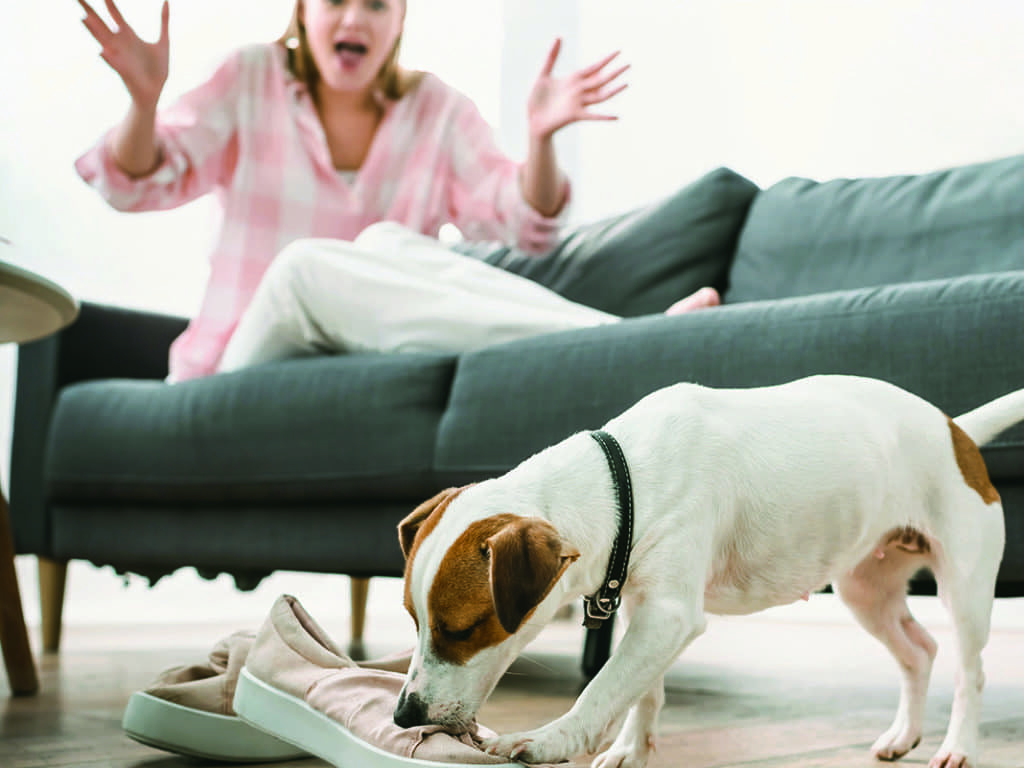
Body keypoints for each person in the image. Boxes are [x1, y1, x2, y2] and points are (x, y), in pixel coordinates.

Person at [76, 0, 719, 383]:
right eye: (334, 0)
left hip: (362, 367)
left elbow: (525, 224)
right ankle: (630, 345)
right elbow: (136, 183)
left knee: (384, 242)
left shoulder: (435, 110)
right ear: (304, 10)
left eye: (378, 3)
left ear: (401, 18)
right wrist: (143, 101)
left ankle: (628, 343)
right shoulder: (251, 76)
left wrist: (542, 140)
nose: (355, 16)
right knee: (307, 265)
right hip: (241, 362)